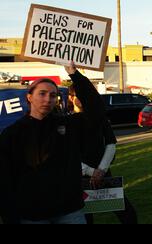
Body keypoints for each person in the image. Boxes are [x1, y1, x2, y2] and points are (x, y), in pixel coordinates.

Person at [0, 62, 104, 224]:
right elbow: (5, 178)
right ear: (29, 97)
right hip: (31, 214)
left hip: (69, 210)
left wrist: (74, 73)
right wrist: (9, 215)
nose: (48, 99)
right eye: (42, 93)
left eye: (53, 95)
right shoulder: (12, 134)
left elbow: (96, 109)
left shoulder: (67, 125)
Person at [67, 85, 138, 224]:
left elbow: (110, 144)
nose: (83, 98)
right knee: (86, 218)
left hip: (104, 174)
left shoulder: (100, 119)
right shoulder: (66, 121)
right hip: (78, 179)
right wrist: (90, 171)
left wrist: (101, 170)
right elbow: (67, 153)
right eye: (78, 95)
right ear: (71, 97)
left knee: (128, 214)